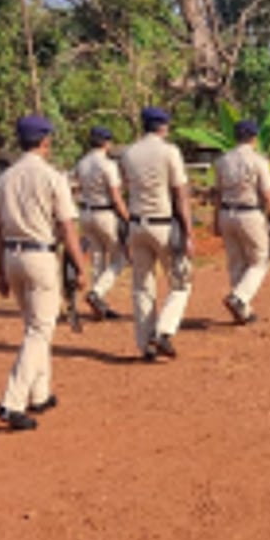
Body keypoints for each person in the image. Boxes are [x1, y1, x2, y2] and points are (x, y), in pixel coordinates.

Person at [0, 116, 85, 431]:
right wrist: (81, 266)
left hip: (12, 256)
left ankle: (39, 393)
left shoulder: (3, 180)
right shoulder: (52, 177)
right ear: (44, 142)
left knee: (34, 325)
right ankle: (12, 402)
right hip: (40, 256)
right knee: (39, 330)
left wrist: (0, 272)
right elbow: (67, 228)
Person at [119, 107, 193, 361]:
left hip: (136, 224)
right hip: (163, 224)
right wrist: (188, 232)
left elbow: (126, 187)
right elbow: (180, 194)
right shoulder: (169, 152)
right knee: (180, 282)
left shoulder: (129, 153)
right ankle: (163, 331)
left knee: (142, 285)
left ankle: (145, 343)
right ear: (164, 126)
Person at [214, 119, 270, 325]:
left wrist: (215, 220)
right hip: (250, 214)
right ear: (254, 138)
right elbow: (268, 194)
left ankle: (243, 312)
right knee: (260, 260)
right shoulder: (258, 161)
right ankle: (239, 298)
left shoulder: (222, 161)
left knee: (236, 262)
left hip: (226, 213)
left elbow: (217, 194)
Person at [73, 126, 129, 320]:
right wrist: (127, 217)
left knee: (97, 258)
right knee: (120, 258)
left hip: (86, 213)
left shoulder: (82, 163)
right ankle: (97, 293)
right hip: (105, 214)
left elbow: (79, 187)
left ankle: (99, 305)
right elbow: (116, 196)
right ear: (107, 143)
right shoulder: (108, 165)